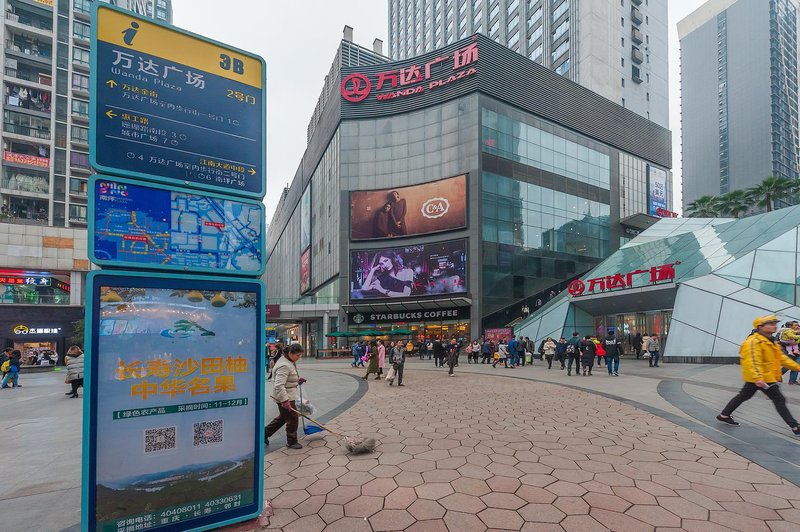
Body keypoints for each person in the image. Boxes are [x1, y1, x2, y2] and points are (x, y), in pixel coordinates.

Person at [717, 315, 800, 437]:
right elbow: (752, 361)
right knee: (779, 399)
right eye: (770, 323)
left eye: (775, 323)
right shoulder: (753, 342)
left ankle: (724, 415)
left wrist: (798, 367)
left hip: (762, 378)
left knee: (743, 396)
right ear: (760, 326)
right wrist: (758, 378)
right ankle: (795, 427)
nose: (774, 325)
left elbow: (782, 359)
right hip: (761, 378)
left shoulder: (771, 341)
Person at [265, 343, 305, 449]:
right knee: (292, 419)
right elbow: (279, 385)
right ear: (290, 353)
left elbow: (288, 378)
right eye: (297, 355)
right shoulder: (284, 365)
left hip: (287, 394)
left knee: (283, 417)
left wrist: (298, 380)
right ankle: (291, 441)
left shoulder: (288, 361)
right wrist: (285, 401)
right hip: (285, 396)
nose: (299, 357)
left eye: (300, 355)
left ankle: (264, 434)